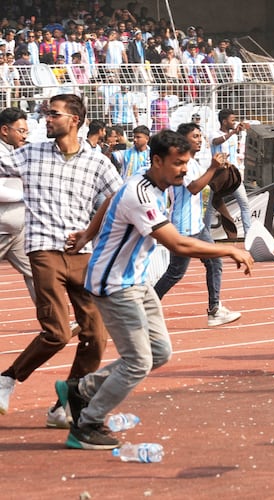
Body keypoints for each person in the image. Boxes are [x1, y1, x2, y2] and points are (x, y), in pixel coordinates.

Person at [54, 129, 253, 450]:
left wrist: (87, 234)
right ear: (157, 161)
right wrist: (229, 250)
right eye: (178, 163)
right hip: (113, 285)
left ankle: (82, 389)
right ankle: (87, 424)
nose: (184, 169)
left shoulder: (152, 184)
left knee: (159, 353)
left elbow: (108, 200)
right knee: (137, 362)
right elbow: (175, 243)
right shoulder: (140, 194)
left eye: (187, 162)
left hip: (136, 281)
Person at [0, 94, 123, 426]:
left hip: (81, 254)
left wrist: (93, 230)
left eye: (53, 114)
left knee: (95, 336)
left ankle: (63, 405)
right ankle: (8, 378)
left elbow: (119, 196)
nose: (46, 120)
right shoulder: (29, 154)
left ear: (75, 120)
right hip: (43, 250)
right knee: (56, 332)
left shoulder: (97, 162)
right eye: (45, 114)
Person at [154, 122, 241, 327]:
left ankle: (215, 309)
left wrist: (219, 170)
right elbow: (193, 187)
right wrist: (212, 167)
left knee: (215, 262)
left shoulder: (192, 162)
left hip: (197, 226)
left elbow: (205, 182)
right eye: (195, 136)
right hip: (183, 228)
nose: (200, 139)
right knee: (175, 272)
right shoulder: (180, 163)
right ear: (184, 140)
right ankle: (147, 307)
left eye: (200, 136)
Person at [0, 108, 36, 304]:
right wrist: (26, 196)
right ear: (5, 130)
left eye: (26, 132)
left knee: (36, 273)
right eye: (20, 131)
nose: (24, 135)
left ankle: (56, 322)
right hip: (2, 229)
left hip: (16, 230)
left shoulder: (16, 152)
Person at [204, 108, 251, 237]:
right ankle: (205, 235)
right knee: (211, 208)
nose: (234, 122)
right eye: (232, 120)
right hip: (219, 176)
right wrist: (233, 133)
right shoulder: (214, 133)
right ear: (224, 122)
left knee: (245, 204)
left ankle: (249, 234)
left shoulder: (234, 135)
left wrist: (244, 128)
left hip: (232, 175)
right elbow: (216, 141)